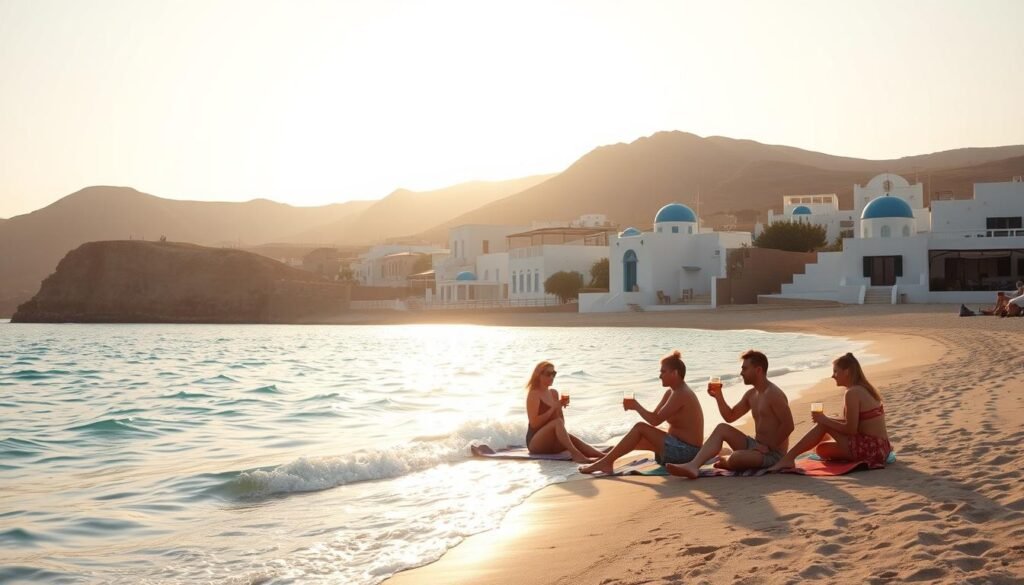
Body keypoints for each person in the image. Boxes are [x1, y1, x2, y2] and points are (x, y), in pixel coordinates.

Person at [667, 350, 794, 479]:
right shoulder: (751, 395)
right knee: (722, 428)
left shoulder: (774, 394)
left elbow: (788, 425)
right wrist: (718, 396)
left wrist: (768, 447)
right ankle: (693, 466)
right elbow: (730, 417)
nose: (741, 373)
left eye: (745, 369)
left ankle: (727, 460)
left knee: (736, 457)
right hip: (756, 446)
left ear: (758, 370)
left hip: (773, 454)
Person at [579, 350, 703, 474]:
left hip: (686, 453)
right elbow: (654, 416)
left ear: (675, 373)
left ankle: (606, 462)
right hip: (676, 448)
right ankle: (605, 458)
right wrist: (636, 407)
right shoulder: (671, 392)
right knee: (635, 439)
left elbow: (655, 421)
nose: (660, 376)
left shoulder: (682, 393)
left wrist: (637, 406)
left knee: (640, 428)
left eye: (663, 372)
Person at [768, 353, 891, 470]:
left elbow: (851, 429)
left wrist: (824, 420)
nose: (833, 376)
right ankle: (791, 456)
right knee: (823, 439)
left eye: (836, 371)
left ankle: (788, 459)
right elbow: (857, 423)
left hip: (871, 450)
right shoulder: (863, 388)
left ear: (847, 372)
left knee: (821, 443)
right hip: (882, 448)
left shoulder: (852, 393)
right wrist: (827, 418)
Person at [524, 361, 604, 463]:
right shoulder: (534, 394)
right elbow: (534, 424)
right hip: (535, 443)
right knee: (558, 423)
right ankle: (576, 455)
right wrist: (553, 407)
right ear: (538, 375)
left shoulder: (553, 393)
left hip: (551, 442)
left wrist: (559, 407)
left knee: (570, 437)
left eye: (554, 374)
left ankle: (601, 455)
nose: (552, 377)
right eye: (548, 374)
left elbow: (561, 422)